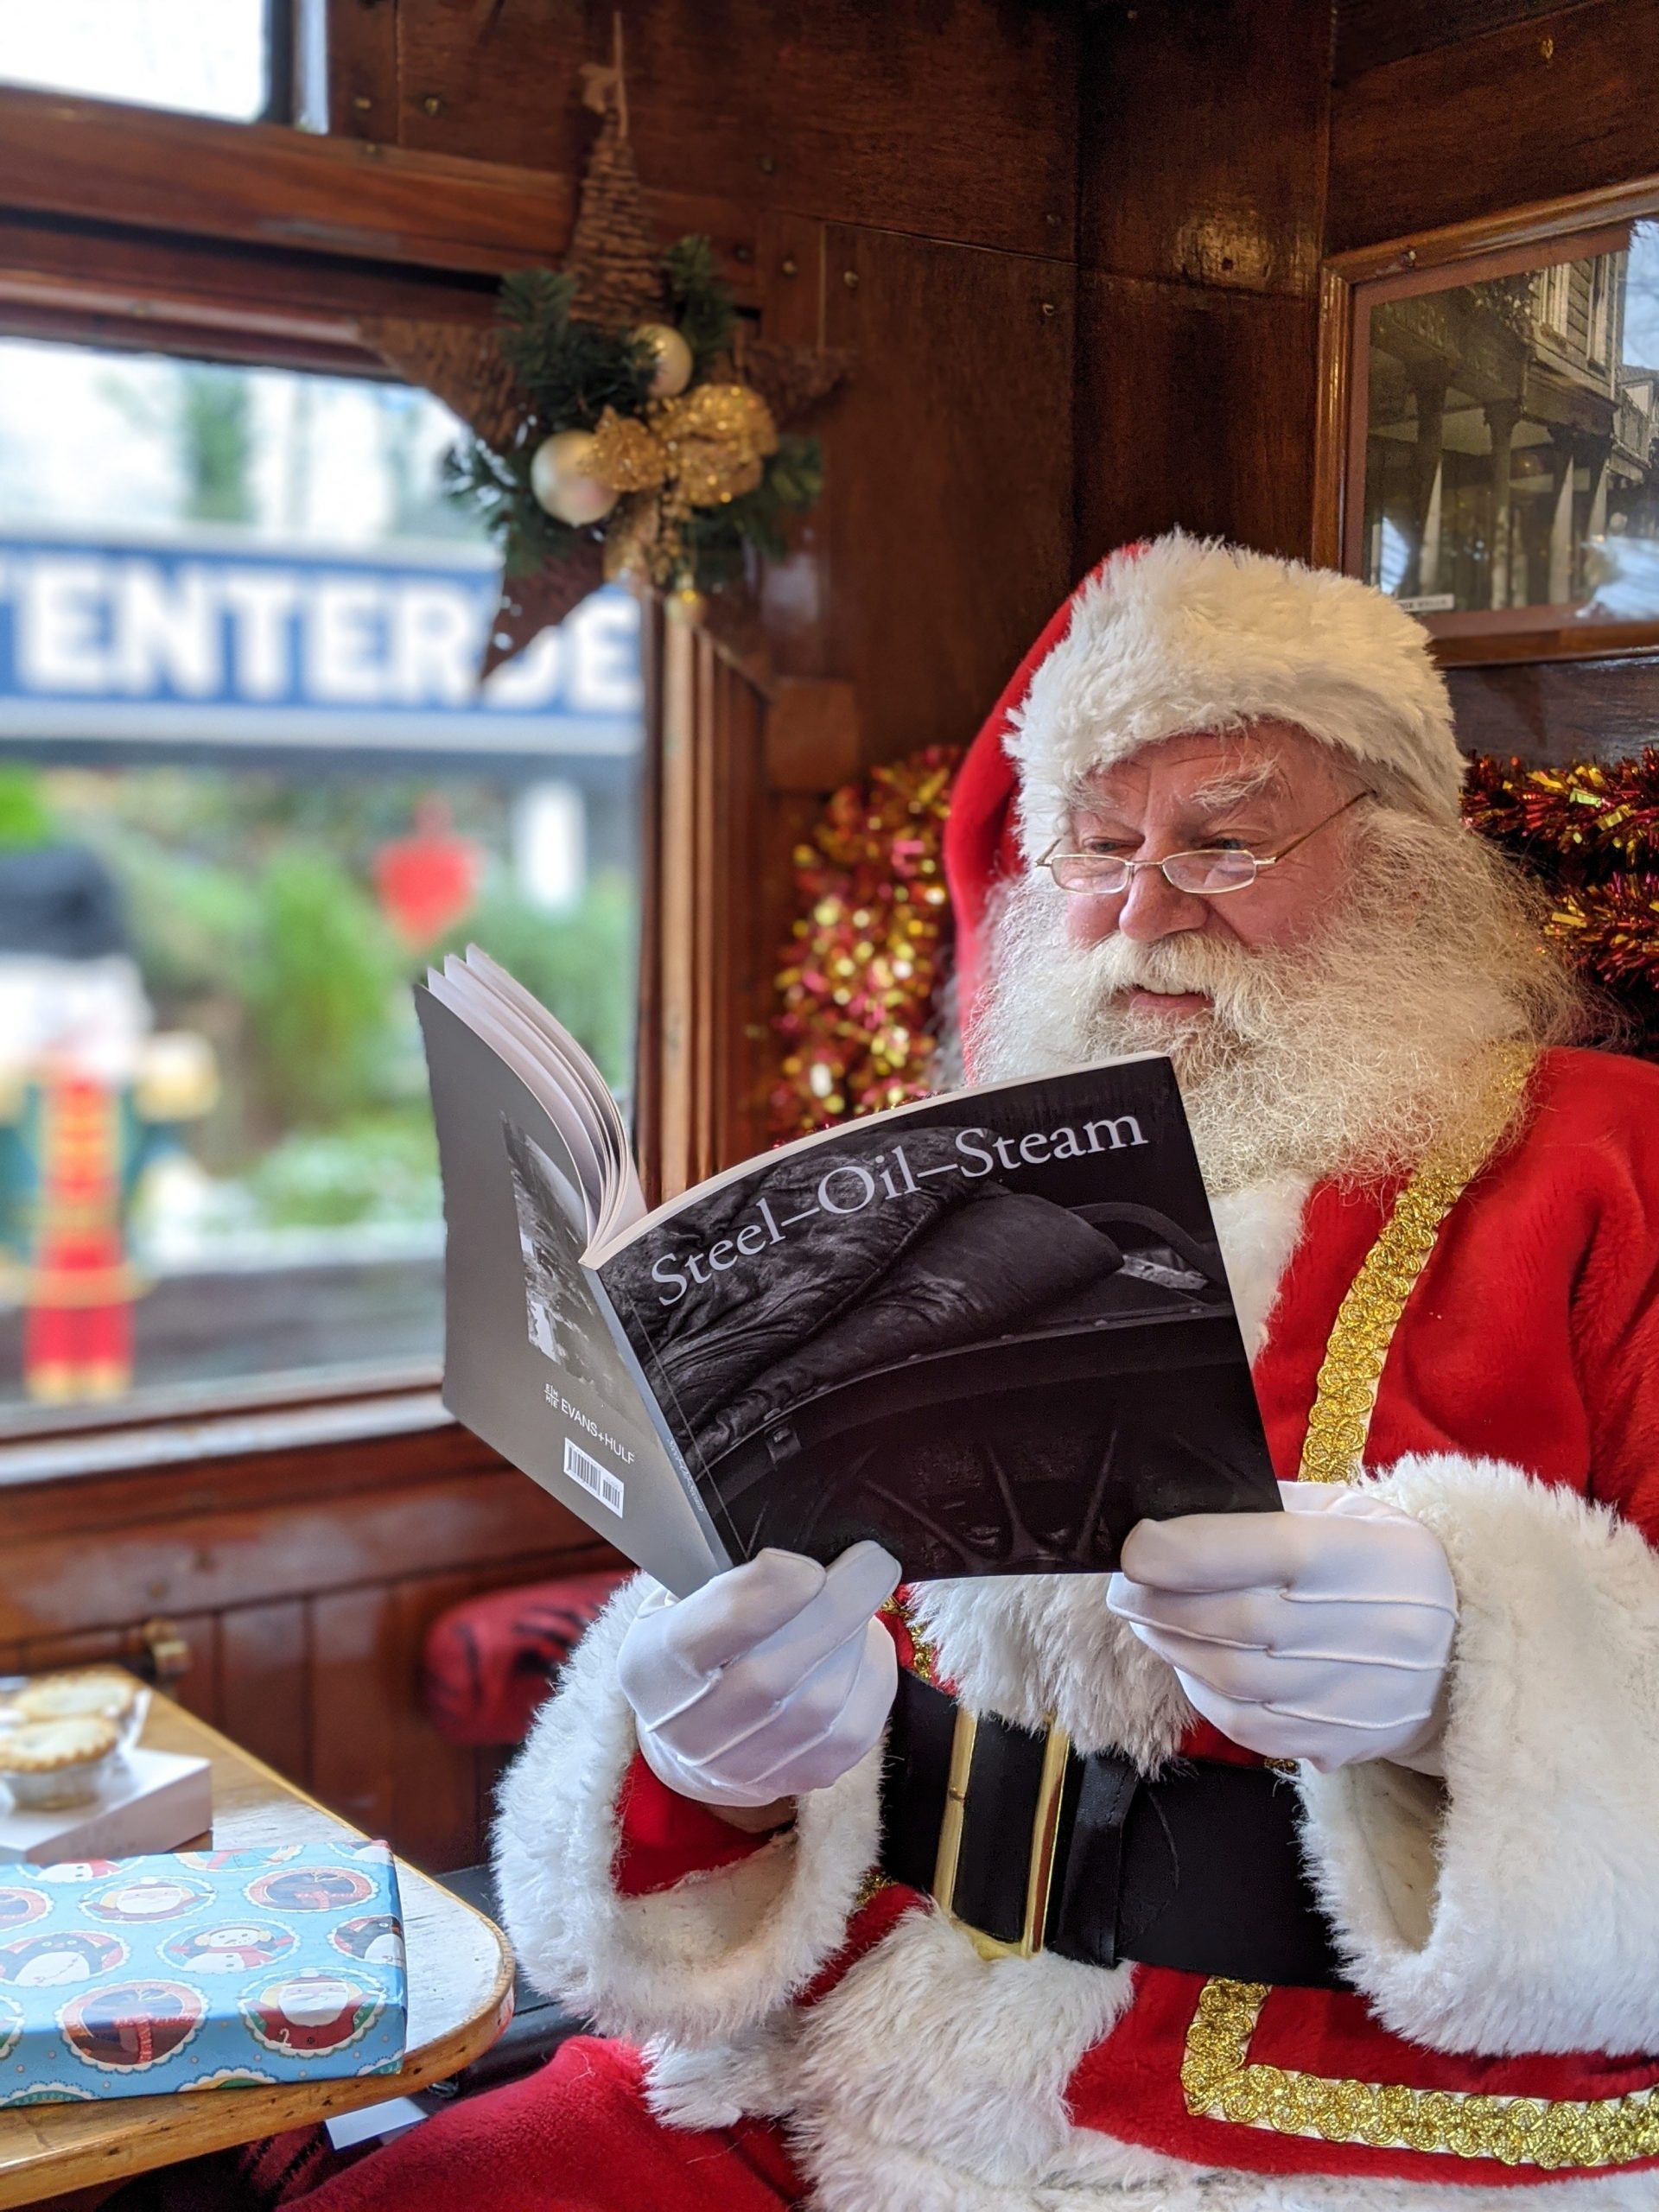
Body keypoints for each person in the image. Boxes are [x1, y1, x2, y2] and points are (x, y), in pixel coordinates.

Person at [303, 534, 1659, 2210]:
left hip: (1347, 2121)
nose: (1147, 908)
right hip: (866, 2028)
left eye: (1226, 842)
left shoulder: (1614, 1170)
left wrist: (1482, 1666)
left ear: (1399, 866)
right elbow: (810, 1624)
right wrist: (704, 1751)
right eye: (1099, 845)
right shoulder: (938, 1174)